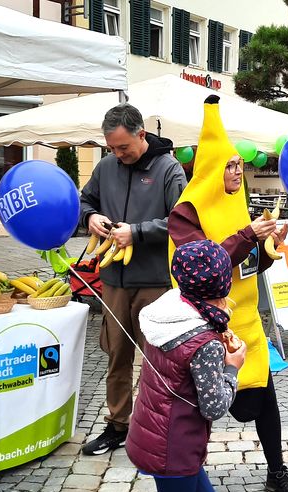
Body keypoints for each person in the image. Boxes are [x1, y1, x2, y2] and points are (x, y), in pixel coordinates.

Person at [168, 96, 288, 492]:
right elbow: (202, 266)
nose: (236, 171)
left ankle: (276, 471)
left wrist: (267, 248)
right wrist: (249, 236)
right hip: (202, 328)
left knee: (265, 401)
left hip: (245, 323)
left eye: (238, 165)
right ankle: (187, 478)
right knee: (195, 409)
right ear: (210, 169)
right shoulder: (185, 213)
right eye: (228, 165)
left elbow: (245, 267)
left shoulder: (237, 205)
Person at [126, 240, 244, 492]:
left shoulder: (168, 312)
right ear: (220, 286)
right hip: (175, 444)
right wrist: (233, 368)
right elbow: (214, 406)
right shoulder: (205, 343)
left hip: (153, 432)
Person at [79, 103, 187, 456]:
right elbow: (84, 201)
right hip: (113, 280)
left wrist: (137, 233)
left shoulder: (169, 169)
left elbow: (181, 222)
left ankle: (158, 428)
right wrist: (91, 216)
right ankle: (117, 425)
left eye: (123, 147)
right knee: (116, 355)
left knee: (157, 360)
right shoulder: (106, 167)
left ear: (141, 134)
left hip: (155, 281)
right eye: (111, 148)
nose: (117, 154)